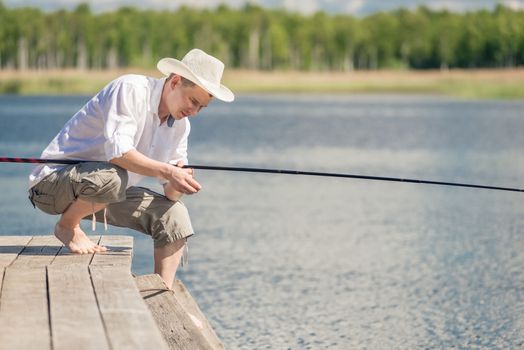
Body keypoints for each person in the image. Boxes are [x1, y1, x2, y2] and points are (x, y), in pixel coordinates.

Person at [27, 48, 234, 289]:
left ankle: (162, 295)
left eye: (201, 107)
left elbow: (170, 193)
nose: (194, 112)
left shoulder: (180, 127)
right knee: (114, 177)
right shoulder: (131, 89)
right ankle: (67, 226)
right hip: (51, 185)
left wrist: (178, 181)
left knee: (175, 215)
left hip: (104, 192)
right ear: (176, 81)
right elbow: (119, 154)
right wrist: (167, 171)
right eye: (193, 101)